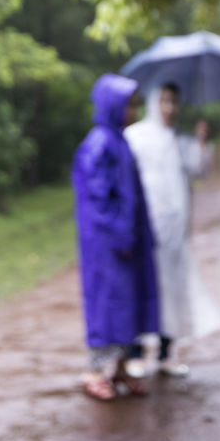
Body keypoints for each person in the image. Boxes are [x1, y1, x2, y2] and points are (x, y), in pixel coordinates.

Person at [125, 82, 220, 377]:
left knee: (173, 288)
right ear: (154, 102)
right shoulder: (135, 137)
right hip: (145, 230)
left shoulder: (180, 140)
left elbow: (199, 170)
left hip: (175, 231)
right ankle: (137, 351)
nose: (169, 108)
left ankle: (168, 351)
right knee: (144, 288)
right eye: (164, 100)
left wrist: (202, 141)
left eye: (174, 101)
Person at [71, 74, 159, 401]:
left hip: (128, 241)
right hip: (107, 245)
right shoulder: (99, 144)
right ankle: (94, 371)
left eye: (135, 104)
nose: (133, 110)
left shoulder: (120, 141)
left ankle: (119, 367)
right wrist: (119, 233)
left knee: (129, 303)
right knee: (108, 305)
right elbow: (97, 200)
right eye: (129, 104)